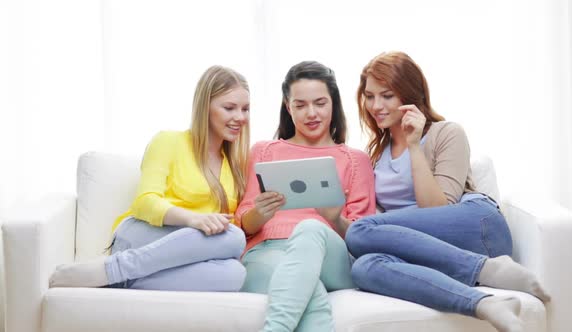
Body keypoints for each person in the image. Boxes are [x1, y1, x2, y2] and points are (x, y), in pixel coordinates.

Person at [345, 51, 550, 332]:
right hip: (434, 251)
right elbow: (391, 230)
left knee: (359, 232)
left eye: (387, 95)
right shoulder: (376, 157)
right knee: (364, 267)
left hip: (478, 227)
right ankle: (485, 304)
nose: (375, 105)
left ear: (409, 95)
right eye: (369, 96)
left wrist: (415, 145)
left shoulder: (446, 133)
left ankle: (489, 268)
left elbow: (437, 209)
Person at [49, 65, 250, 291]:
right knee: (234, 237)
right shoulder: (169, 141)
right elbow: (145, 202)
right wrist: (193, 219)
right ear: (205, 107)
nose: (240, 117)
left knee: (235, 274)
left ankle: (117, 279)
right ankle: (115, 267)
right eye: (230, 108)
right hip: (142, 235)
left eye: (245, 109)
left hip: (188, 249)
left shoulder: (234, 164)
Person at [236, 61, 376, 332]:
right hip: (268, 251)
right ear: (288, 107)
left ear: (333, 104)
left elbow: (364, 238)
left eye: (320, 103)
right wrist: (259, 214)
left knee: (310, 228)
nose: (311, 113)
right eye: (300, 105)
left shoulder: (356, 161)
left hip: (330, 255)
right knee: (308, 294)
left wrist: (334, 219)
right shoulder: (264, 151)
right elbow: (243, 223)